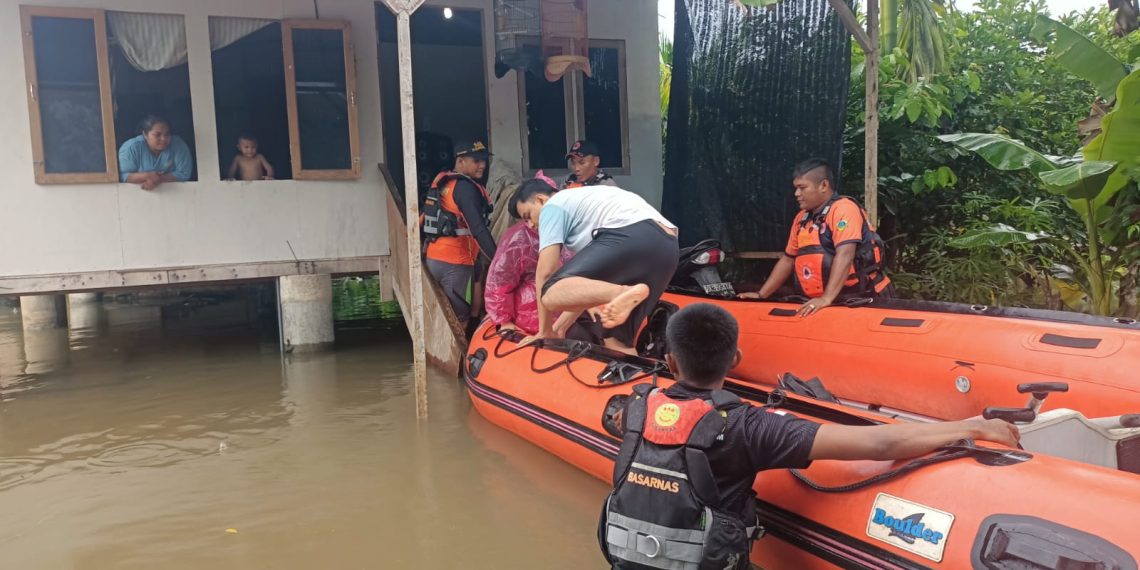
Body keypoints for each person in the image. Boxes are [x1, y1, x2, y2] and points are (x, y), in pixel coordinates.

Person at [598, 303, 1020, 569]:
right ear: (736, 359)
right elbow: (880, 443)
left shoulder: (634, 409)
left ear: (670, 361)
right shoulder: (751, 426)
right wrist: (972, 426)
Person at [509, 183, 678, 355]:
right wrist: (559, 329)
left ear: (540, 200)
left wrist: (544, 332)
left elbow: (545, 272)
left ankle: (622, 292)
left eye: (528, 216)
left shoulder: (553, 205)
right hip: (668, 247)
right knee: (617, 340)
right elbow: (581, 290)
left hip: (632, 233)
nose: (530, 225)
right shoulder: (586, 208)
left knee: (549, 291)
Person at [738, 158, 892, 317]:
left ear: (823, 185)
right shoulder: (802, 218)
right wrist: (762, 294)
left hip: (864, 297)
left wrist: (826, 298)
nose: (797, 194)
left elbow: (845, 255)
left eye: (802, 188)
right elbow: (788, 259)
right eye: (796, 188)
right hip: (831, 300)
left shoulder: (844, 209)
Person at [422, 140, 497, 329]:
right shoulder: (465, 188)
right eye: (476, 160)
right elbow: (478, 229)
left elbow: (425, 216)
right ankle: (462, 346)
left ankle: (472, 327)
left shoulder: (444, 182)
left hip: (434, 257)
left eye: (484, 160)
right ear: (460, 161)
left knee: (455, 311)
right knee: (459, 319)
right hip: (455, 262)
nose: (482, 165)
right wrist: (499, 260)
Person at [118, 115, 194, 190]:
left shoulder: (178, 145)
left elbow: (184, 173)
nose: (163, 139)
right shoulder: (131, 148)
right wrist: (146, 176)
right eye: (157, 135)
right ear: (145, 135)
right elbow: (121, 175)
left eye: (167, 134)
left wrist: (159, 179)